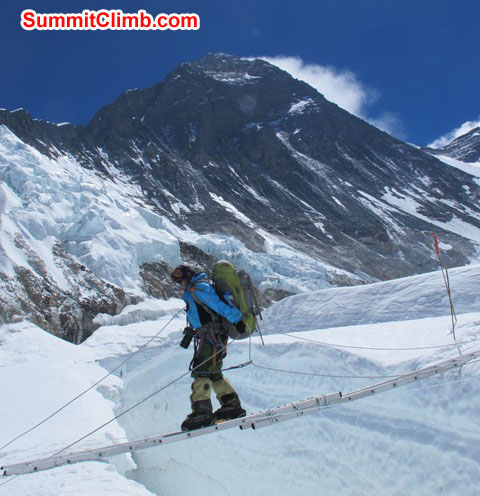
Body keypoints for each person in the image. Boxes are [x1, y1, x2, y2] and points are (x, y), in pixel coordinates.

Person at [170, 264, 247, 431]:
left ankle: (202, 412)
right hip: (211, 335)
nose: (179, 285)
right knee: (214, 373)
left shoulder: (199, 288)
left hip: (210, 337)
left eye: (180, 281)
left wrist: (237, 320)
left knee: (202, 371)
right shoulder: (195, 289)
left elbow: (218, 305)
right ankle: (231, 405)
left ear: (187, 277)